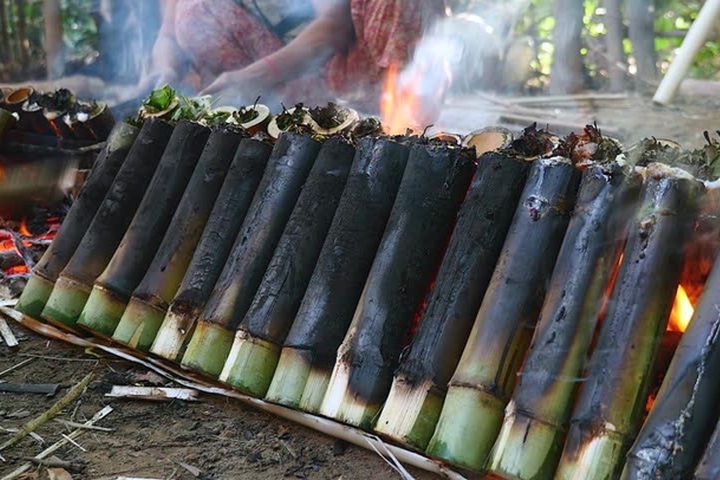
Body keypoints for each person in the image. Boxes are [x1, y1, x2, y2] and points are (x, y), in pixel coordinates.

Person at [137, 0, 445, 107]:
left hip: (332, 83)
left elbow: (333, 27)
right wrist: (164, 69)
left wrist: (255, 77)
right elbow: (167, 35)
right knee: (196, 8)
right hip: (238, 95)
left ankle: (397, 116)